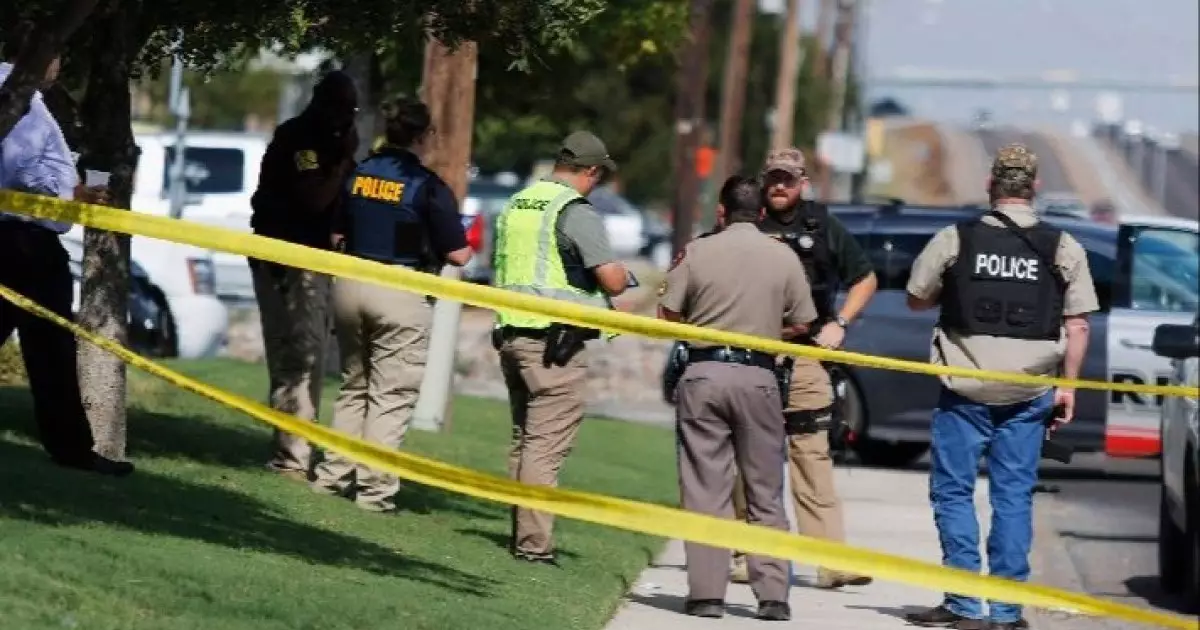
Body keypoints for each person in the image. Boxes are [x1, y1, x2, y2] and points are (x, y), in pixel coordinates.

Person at [903, 144, 1097, 630]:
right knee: (1013, 497)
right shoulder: (1063, 246)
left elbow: (915, 299)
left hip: (964, 392)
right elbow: (1078, 327)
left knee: (954, 493)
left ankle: (965, 604)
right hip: (1029, 395)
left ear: (991, 186)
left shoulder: (955, 239)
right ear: (1034, 188)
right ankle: (1006, 611)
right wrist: (1068, 389)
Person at [659, 175, 817, 622]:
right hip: (760, 376)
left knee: (706, 488)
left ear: (721, 212)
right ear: (762, 213)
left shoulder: (699, 251)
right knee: (766, 490)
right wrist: (766, 329)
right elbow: (804, 322)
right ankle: (773, 597)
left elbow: (667, 313)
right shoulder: (783, 256)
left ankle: (708, 595)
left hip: (705, 373)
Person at [310, 96, 471, 512]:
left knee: (354, 387)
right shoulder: (428, 186)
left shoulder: (359, 174)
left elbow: (336, 236)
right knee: (391, 394)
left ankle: (331, 476)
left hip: (350, 286)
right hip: (400, 291)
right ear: (423, 136)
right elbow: (459, 255)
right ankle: (375, 492)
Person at [493, 130, 629, 565]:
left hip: (512, 334)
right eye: (599, 177)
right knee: (545, 447)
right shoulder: (575, 210)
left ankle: (520, 533)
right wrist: (624, 276)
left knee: (524, 440)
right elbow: (609, 278)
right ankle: (533, 546)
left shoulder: (519, 201)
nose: (599, 185)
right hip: (556, 345)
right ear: (589, 170)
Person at [0, 42, 132, 477]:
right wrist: (67, 194)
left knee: (52, 347)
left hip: (28, 237)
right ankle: (73, 450)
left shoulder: (31, 98)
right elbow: (17, 168)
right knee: (51, 346)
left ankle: (73, 449)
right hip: (19, 239)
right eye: (53, 52)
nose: (59, 63)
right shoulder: (11, 91)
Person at [751, 147, 877, 589]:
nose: (779, 186)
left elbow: (865, 278)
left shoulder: (822, 225)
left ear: (803, 183)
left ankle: (831, 561)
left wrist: (840, 323)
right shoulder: (746, 220)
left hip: (805, 357)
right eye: (773, 179)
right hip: (753, 355)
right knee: (751, 457)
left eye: (788, 179)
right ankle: (741, 555)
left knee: (812, 458)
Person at [249, 69, 359, 481]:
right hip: (291, 260)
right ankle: (292, 456)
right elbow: (314, 198)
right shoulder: (304, 140)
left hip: (299, 259)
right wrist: (344, 159)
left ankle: (289, 452)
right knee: (297, 357)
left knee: (295, 357)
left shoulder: (322, 141)